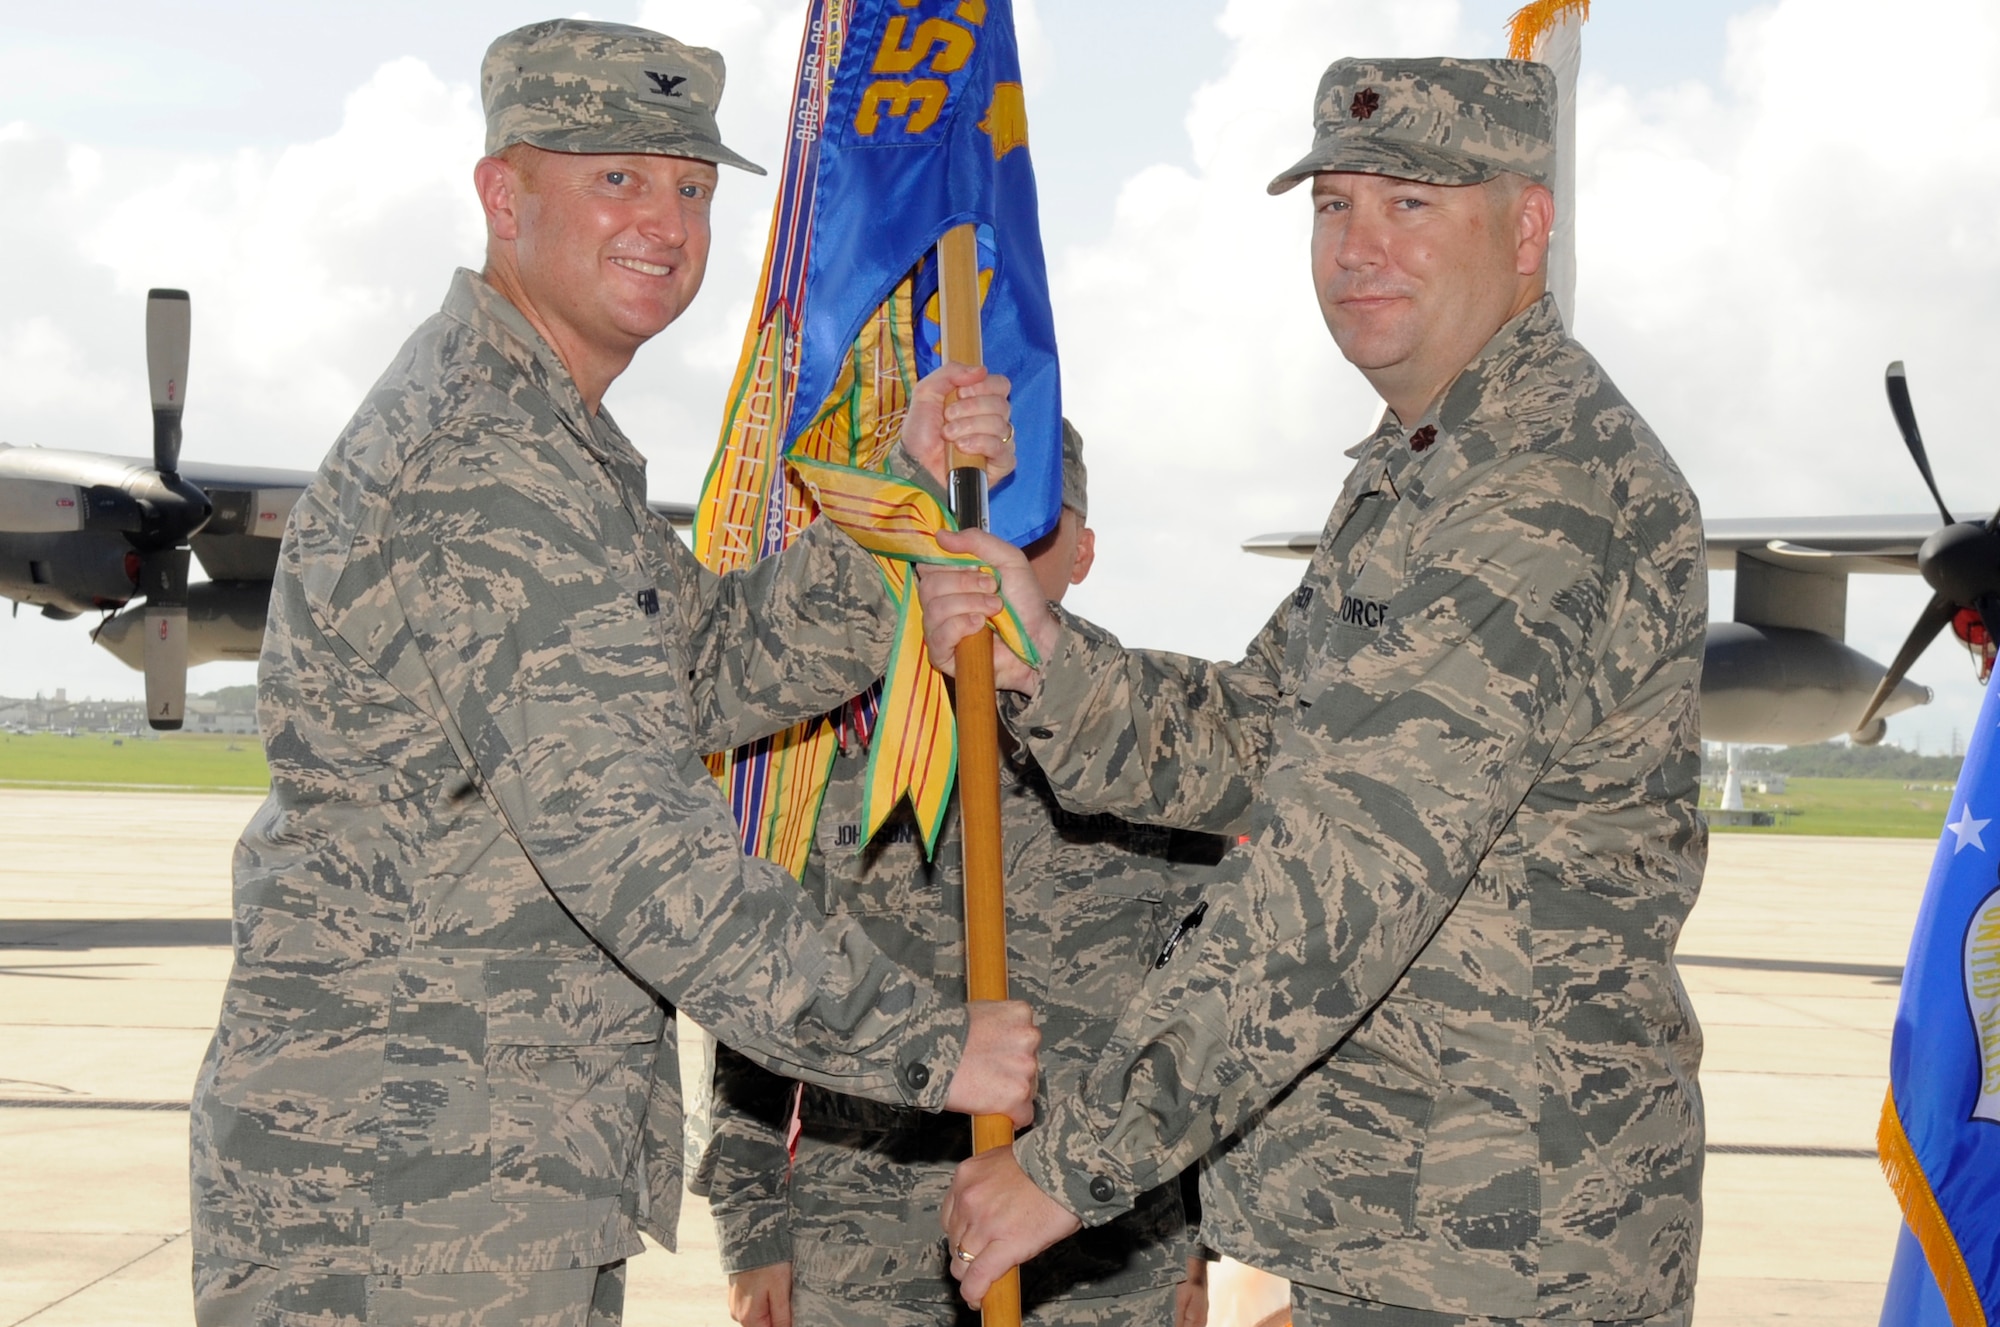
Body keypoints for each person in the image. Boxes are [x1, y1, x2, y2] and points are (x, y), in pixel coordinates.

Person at [188, 19, 1038, 1327]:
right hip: (402, 1187)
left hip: (486, 1165)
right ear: (503, 196)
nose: (667, 220)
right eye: (615, 178)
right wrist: (933, 1042)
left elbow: (697, 664)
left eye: (691, 185)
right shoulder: (487, 453)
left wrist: (901, 508)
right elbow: (639, 846)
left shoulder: (550, 437)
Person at [921, 57, 1708, 1327]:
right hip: (1412, 1222)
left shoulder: (1538, 489)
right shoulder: (1423, 472)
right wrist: (1046, 663)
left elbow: (1347, 865)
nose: (1358, 247)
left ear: (1526, 226)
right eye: (1333, 205)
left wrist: (1073, 1165)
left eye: (1410, 205)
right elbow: (1259, 731)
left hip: (1502, 1243)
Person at [695, 422, 1220, 1327]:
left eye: (1030, 522)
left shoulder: (1155, 744)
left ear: (1084, 551)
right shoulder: (850, 734)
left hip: (1091, 1248)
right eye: (968, 516)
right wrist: (753, 1229)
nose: (992, 546)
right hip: (863, 1242)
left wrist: (1193, 1246)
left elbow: (1203, 1003)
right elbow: (761, 993)